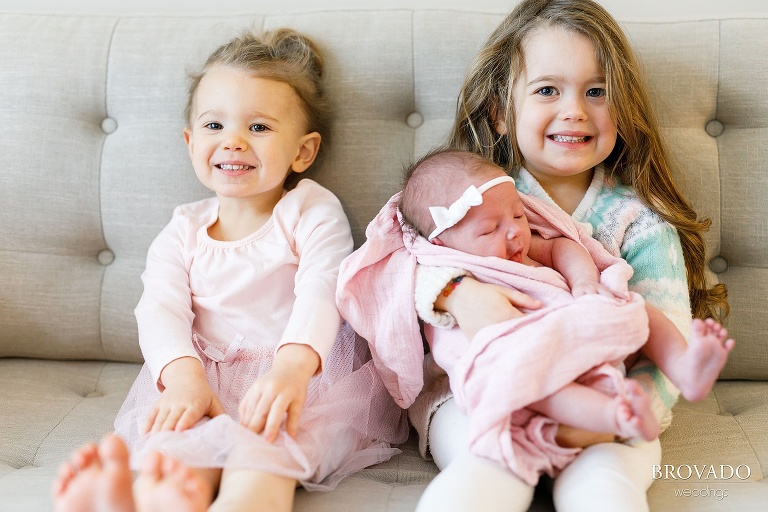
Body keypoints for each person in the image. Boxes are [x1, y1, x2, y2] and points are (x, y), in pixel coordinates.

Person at [52, 29, 406, 512]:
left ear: (303, 152)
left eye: (258, 128)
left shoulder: (309, 209)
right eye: (214, 126)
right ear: (190, 140)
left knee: (263, 457)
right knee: (178, 452)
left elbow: (323, 289)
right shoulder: (183, 229)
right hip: (202, 377)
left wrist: (290, 369)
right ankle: (156, 498)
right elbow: (160, 309)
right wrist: (181, 379)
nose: (233, 141)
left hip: (298, 378)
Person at [408, 1, 730, 511]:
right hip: (483, 392)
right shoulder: (468, 199)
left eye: (597, 91)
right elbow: (402, 263)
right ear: (499, 112)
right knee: (486, 467)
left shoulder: (640, 222)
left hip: (602, 399)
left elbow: (662, 334)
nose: (575, 110)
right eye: (547, 90)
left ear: (622, 110)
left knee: (606, 483)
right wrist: (458, 293)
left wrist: (621, 413)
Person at [399, 148, 733, 445]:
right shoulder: (443, 264)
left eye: (517, 215)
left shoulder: (526, 240)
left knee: (640, 309)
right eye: (489, 230)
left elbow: (563, 246)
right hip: (524, 356)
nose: (515, 231)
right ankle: (616, 416)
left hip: (577, 327)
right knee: (540, 384)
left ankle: (683, 367)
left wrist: (585, 281)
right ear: (441, 243)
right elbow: (392, 287)